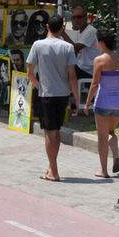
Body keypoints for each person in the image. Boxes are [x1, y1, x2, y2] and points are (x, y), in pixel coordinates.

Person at [26, 14, 79, 181]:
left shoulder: (38, 45)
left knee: (49, 132)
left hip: (46, 93)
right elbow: (72, 75)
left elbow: (29, 72)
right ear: (62, 29)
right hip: (62, 93)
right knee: (56, 131)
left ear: (47, 27)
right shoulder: (68, 47)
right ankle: (51, 167)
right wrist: (76, 97)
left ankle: (54, 171)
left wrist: (39, 86)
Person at [84, 29, 119, 178]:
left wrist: (87, 103)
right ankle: (116, 154)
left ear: (101, 43)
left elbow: (95, 83)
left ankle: (104, 171)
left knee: (102, 137)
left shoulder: (99, 60)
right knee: (111, 132)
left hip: (103, 102)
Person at [62, 6, 98, 79]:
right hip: (80, 67)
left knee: (60, 71)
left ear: (86, 18)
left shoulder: (90, 31)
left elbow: (76, 48)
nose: (76, 20)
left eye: (79, 17)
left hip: (88, 71)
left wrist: (63, 33)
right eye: (74, 17)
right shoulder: (79, 32)